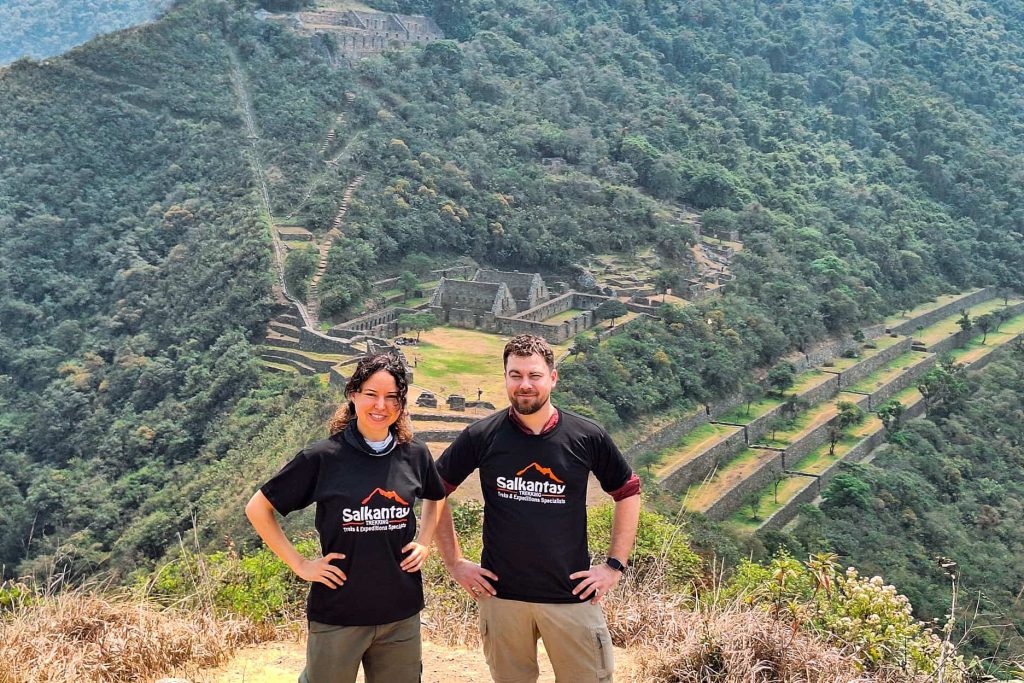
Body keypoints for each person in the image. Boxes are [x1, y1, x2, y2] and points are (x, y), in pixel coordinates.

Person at [434, 334, 641, 683]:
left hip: (571, 595)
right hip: (501, 598)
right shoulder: (482, 435)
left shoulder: (586, 436)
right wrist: (454, 562)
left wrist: (614, 566)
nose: (524, 385)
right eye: (515, 375)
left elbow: (628, 491)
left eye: (534, 375)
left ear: (553, 377)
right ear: (505, 378)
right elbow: (435, 490)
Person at [246, 353, 445, 683]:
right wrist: (300, 564)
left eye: (391, 397)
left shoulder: (415, 454)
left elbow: (435, 497)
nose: (380, 405)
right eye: (371, 394)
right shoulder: (323, 457)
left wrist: (424, 541)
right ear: (353, 395)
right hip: (339, 613)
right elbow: (258, 508)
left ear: (401, 403)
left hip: (400, 612)